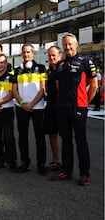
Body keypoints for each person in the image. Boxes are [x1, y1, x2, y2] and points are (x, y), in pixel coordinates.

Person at [51, 33, 98, 186]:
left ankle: (85, 173)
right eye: (65, 45)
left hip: (79, 108)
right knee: (66, 140)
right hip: (62, 108)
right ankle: (66, 171)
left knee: (80, 140)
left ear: (76, 44)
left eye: (70, 44)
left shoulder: (86, 62)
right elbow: (58, 86)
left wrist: (84, 103)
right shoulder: (60, 64)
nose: (68, 47)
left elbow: (94, 85)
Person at [12, 44, 47, 175]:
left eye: (28, 52)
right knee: (22, 136)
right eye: (24, 52)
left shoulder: (41, 68)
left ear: (33, 54)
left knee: (40, 137)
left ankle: (41, 164)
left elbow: (43, 89)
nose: (26, 55)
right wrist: (22, 103)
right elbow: (14, 90)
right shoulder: (17, 70)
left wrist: (31, 104)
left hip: (37, 107)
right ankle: (25, 163)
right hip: (21, 107)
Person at [44, 46, 62, 172]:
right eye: (49, 55)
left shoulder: (64, 69)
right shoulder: (49, 71)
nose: (51, 57)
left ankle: (66, 163)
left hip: (62, 107)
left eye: (54, 55)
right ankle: (56, 161)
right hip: (50, 107)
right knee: (52, 134)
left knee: (66, 136)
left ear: (60, 55)